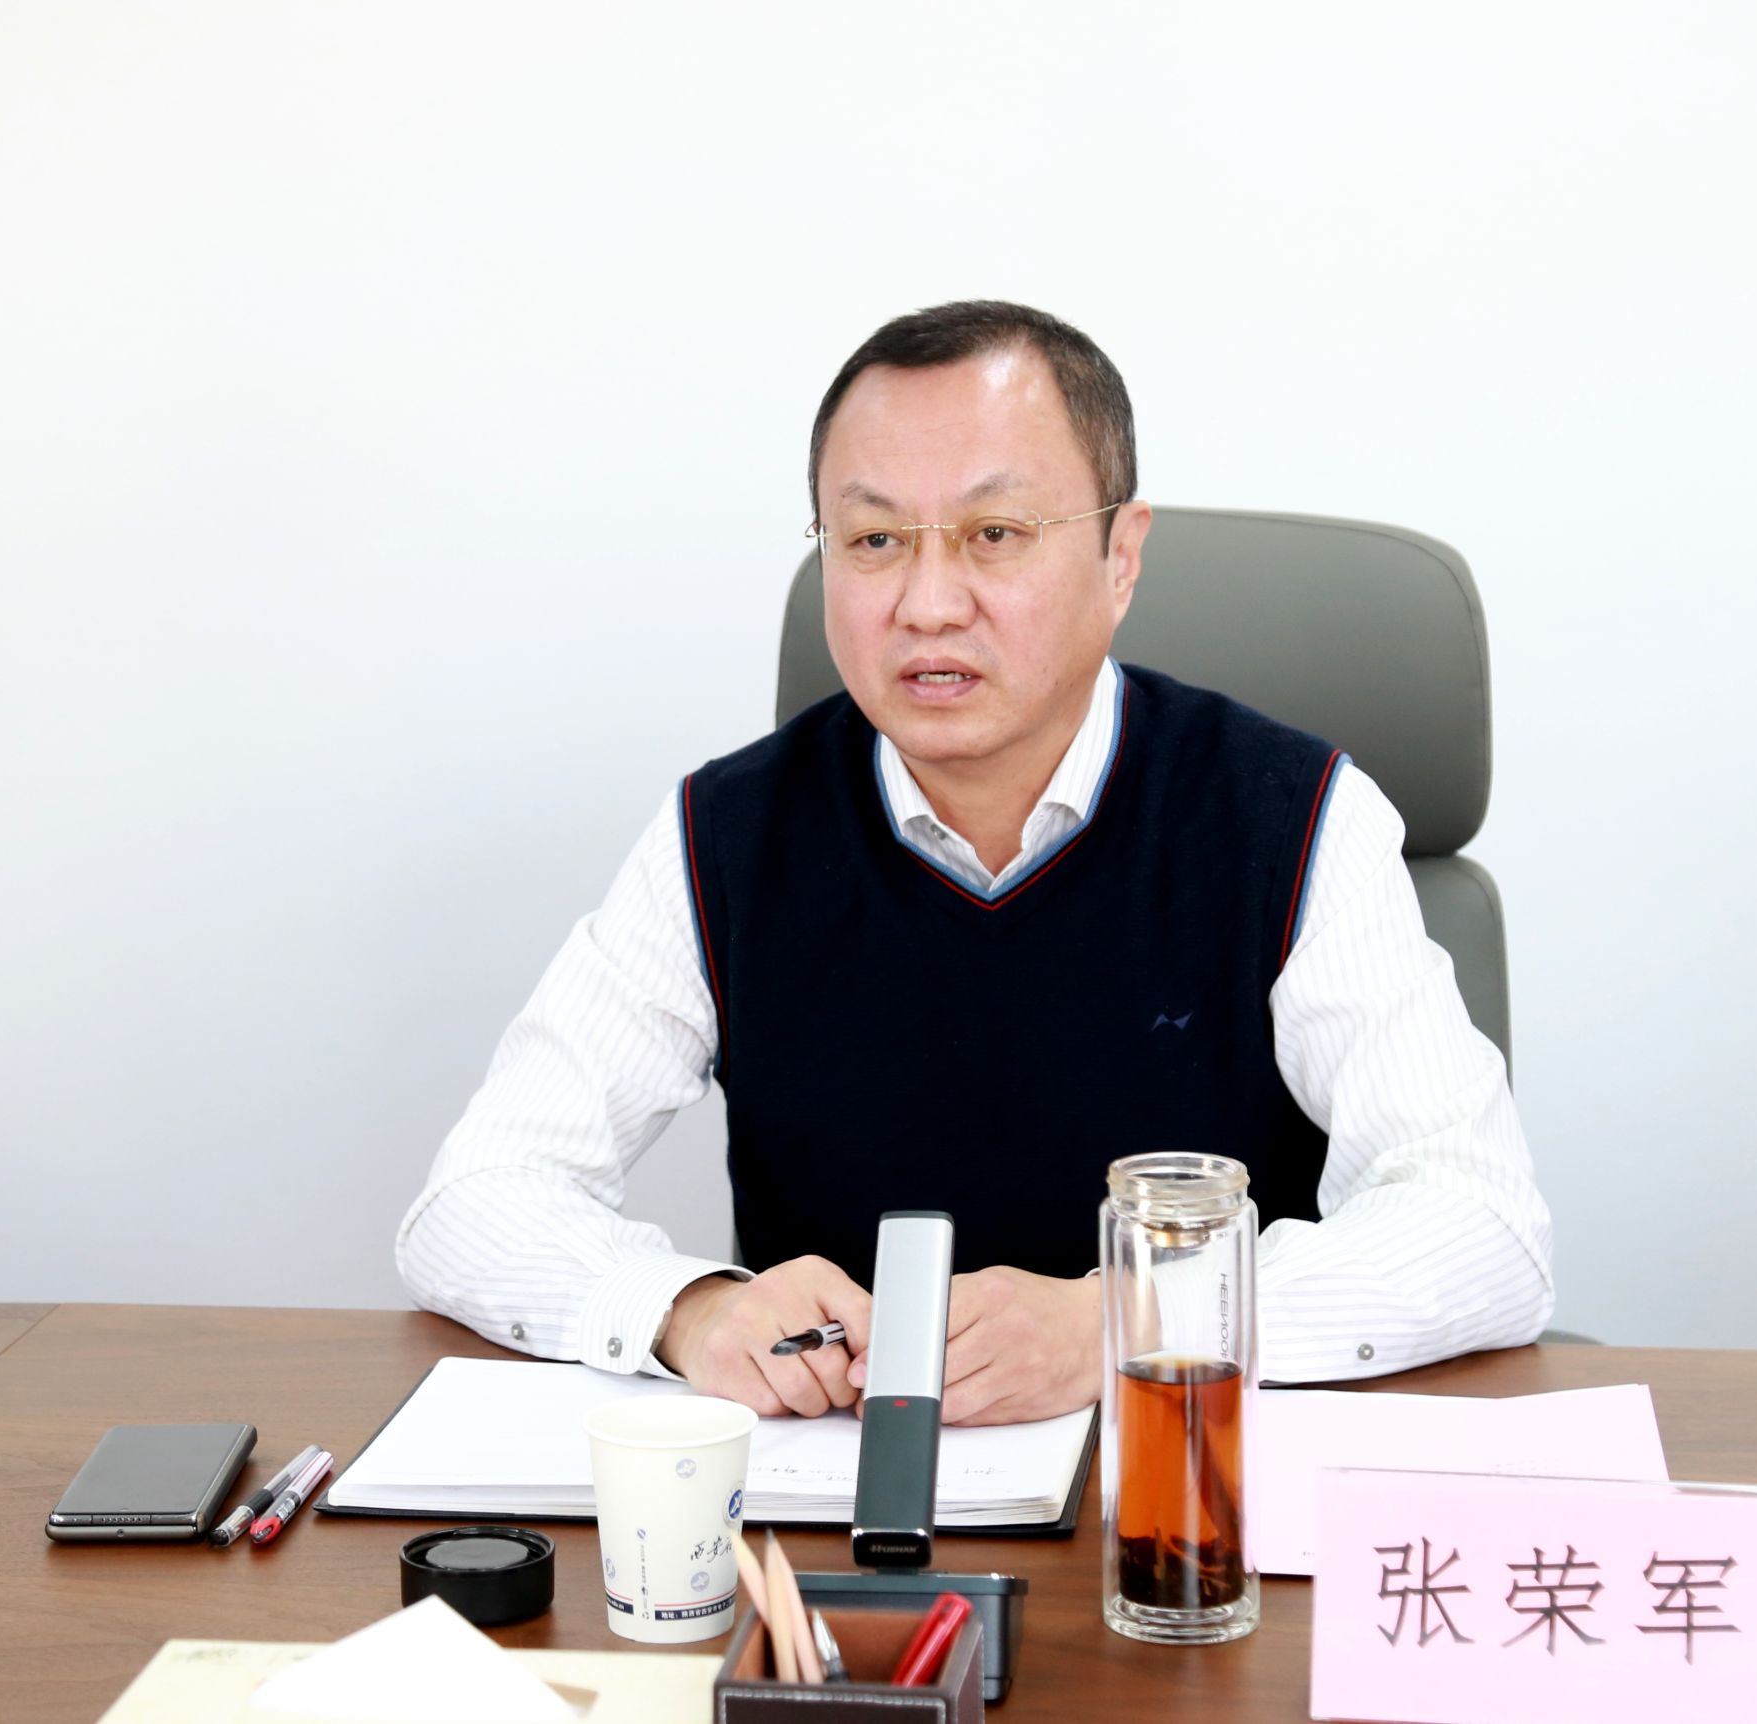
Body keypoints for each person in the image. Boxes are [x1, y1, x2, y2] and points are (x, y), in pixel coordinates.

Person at [397, 300, 1553, 1427]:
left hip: (1189, 1481)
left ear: (1120, 557)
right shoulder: (725, 833)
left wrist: (1124, 1320)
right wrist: (688, 1310)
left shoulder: (1293, 817)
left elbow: (1480, 1225)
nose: (927, 602)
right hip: (843, 1496)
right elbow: (477, 1199)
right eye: (873, 540)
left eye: (994, 534)